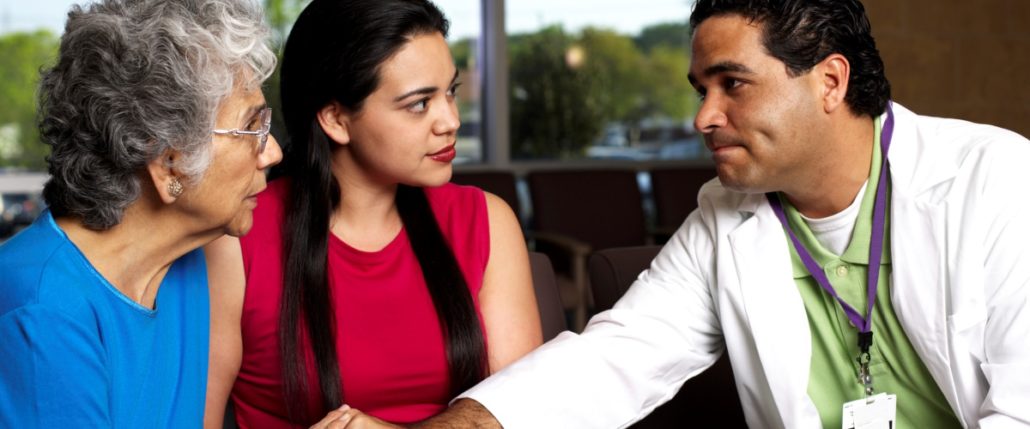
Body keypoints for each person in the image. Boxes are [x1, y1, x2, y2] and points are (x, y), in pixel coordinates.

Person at [322, 0, 1030, 428]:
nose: (703, 116)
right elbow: (609, 363)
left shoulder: (996, 183)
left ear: (830, 80)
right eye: (700, 88)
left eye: (733, 85)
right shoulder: (726, 215)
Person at [202, 0, 542, 427]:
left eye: (451, 92)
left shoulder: (486, 220)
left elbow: (526, 411)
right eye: (419, 104)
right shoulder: (237, 237)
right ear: (336, 119)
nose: (450, 121)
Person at [0, 0, 281, 427]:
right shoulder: (43, 311)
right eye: (253, 128)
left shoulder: (193, 255)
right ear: (169, 162)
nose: (272, 152)